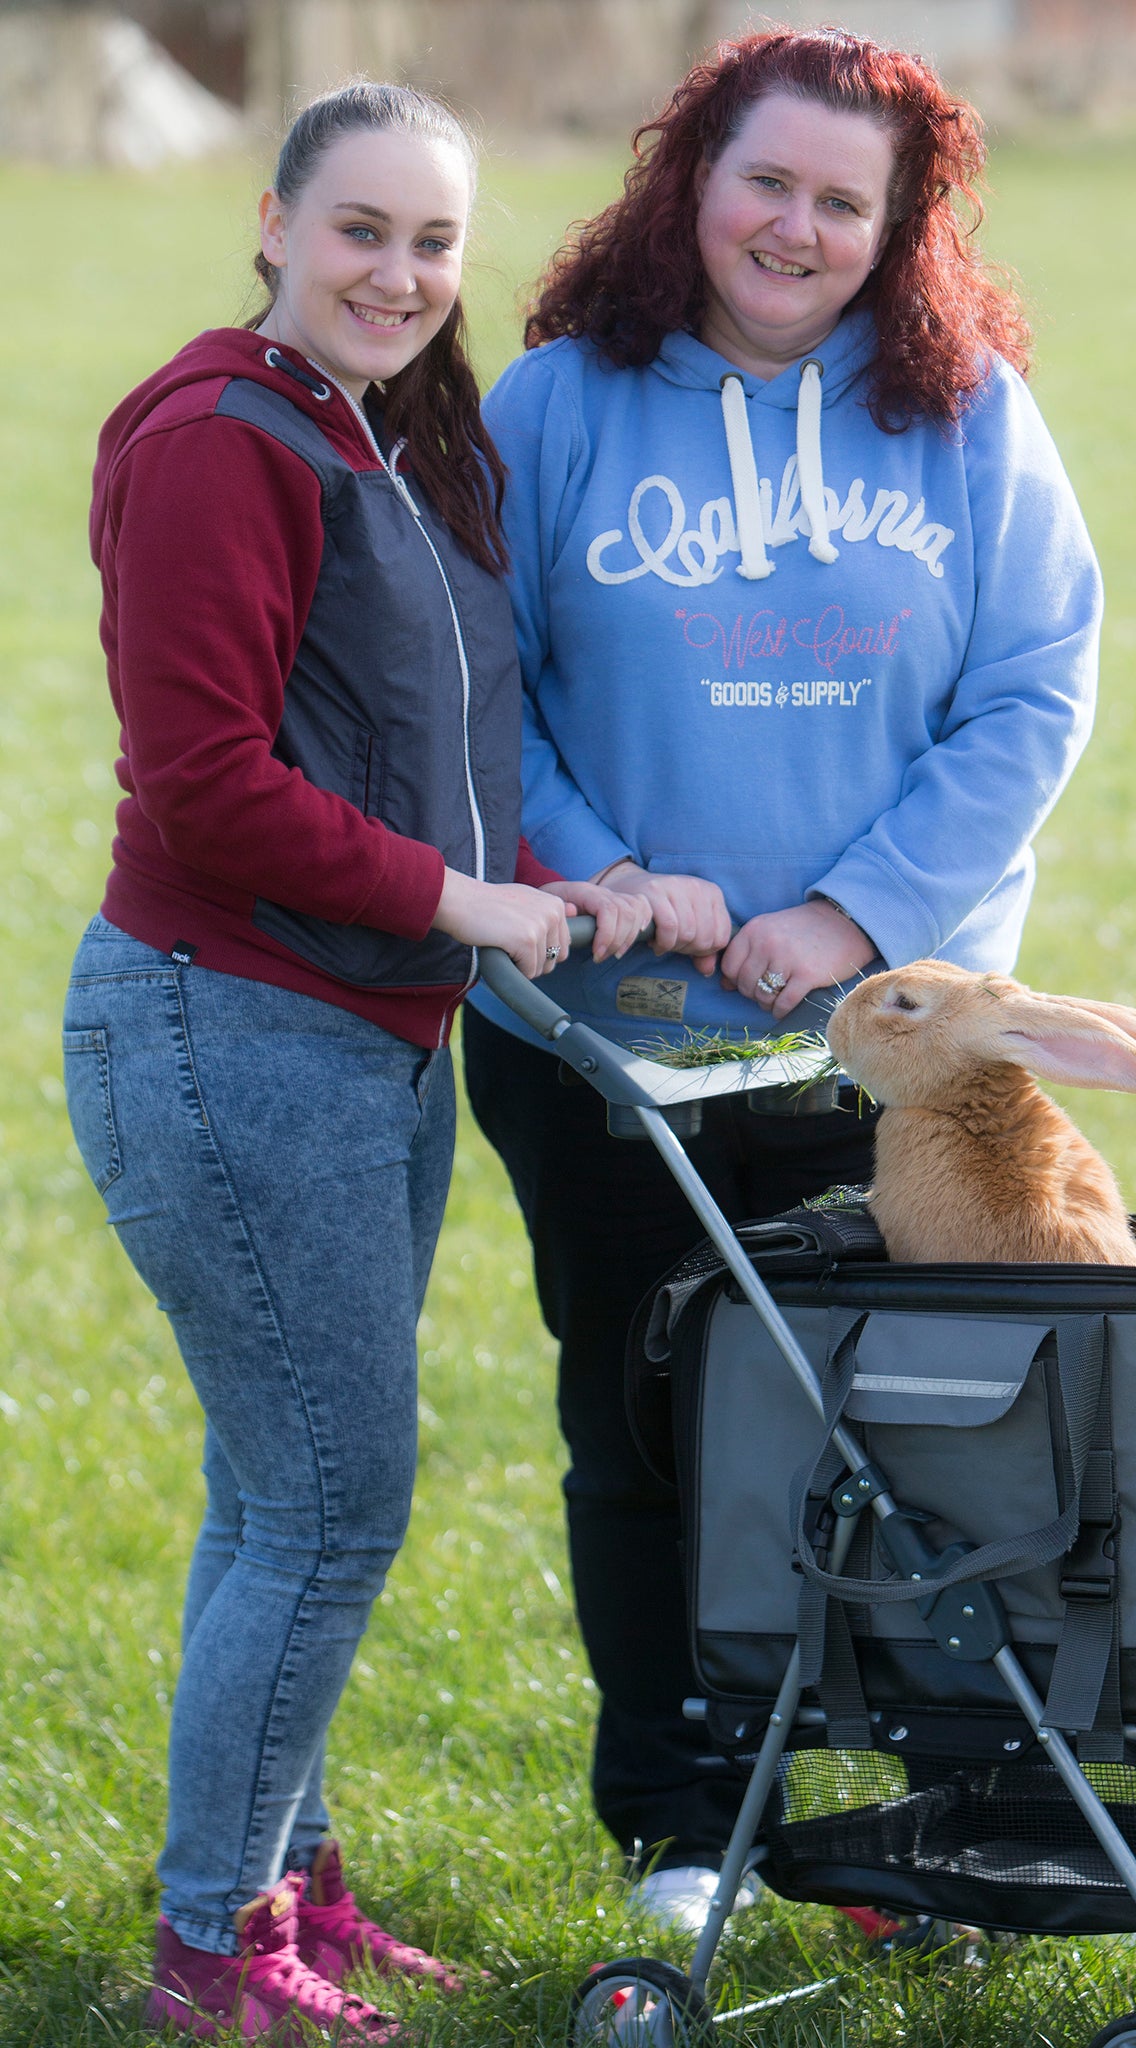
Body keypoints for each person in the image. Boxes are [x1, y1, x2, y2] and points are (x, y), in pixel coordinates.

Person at [463, 28, 1103, 1932]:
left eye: (847, 200)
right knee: (649, 1409)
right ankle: (685, 1819)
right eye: (767, 181)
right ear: (690, 177)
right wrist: (608, 877)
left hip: (892, 1040)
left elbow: (1035, 688)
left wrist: (854, 910)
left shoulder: (968, 411)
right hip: (606, 1029)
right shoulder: (555, 407)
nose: (797, 227)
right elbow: (475, 693)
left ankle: (925, 1814)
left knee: (911, 1415)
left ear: (900, 230)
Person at [63, 82, 645, 2036]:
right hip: (232, 1024)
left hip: (360, 1039)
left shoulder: (371, 434)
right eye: (361, 231)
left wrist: (568, 875)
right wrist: (465, 909)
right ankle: (215, 1951)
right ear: (272, 225)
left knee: (280, 1490)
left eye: (434, 242)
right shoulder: (223, 441)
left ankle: (281, 1883)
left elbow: (442, 741)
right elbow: (209, 788)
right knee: (328, 1499)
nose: (399, 274)